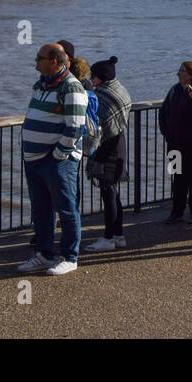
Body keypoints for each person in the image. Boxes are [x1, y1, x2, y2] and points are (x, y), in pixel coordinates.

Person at [18, 42, 87, 276]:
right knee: (41, 208)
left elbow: (76, 127)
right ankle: (46, 254)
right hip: (34, 158)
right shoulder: (41, 85)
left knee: (66, 209)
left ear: (54, 61)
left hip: (56, 161)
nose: (35, 62)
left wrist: (58, 155)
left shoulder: (71, 87)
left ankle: (70, 257)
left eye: (39, 58)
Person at [84, 56, 132, 252]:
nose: (91, 79)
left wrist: (97, 156)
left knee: (109, 194)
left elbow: (102, 125)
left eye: (93, 77)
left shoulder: (102, 96)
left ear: (100, 78)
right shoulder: (119, 90)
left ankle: (109, 238)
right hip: (120, 145)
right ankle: (119, 235)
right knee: (114, 194)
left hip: (108, 148)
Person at [160, 60, 192, 225]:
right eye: (179, 71)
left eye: (182, 71)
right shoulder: (174, 90)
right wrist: (167, 134)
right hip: (174, 144)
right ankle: (177, 212)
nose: (178, 74)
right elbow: (163, 112)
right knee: (177, 177)